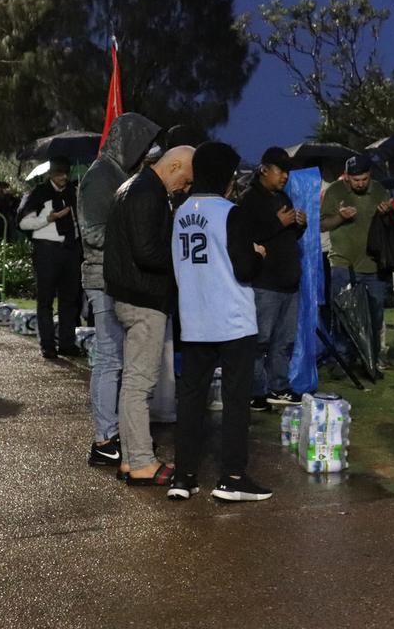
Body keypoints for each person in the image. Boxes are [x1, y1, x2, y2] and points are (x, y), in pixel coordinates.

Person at [169, 142, 271, 502]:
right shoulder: (232, 212)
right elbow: (244, 268)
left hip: (194, 318)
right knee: (235, 400)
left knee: (192, 400)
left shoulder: (180, 211)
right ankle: (231, 476)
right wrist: (258, 256)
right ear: (226, 175)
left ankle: (183, 476)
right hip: (232, 319)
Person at [105, 145, 194, 486]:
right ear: (173, 165)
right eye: (185, 180)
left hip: (133, 295)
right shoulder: (147, 191)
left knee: (133, 382)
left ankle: (132, 458)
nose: (184, 188)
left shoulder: (134, 186)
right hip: (144, 298)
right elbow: (147, 251)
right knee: (139, 384)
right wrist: (180, 259)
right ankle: (141, 460)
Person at [77, 113, 162, 467]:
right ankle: (104, 438)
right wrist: (130, 236)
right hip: (102, 278)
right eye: (141, 145)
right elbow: (92, 232)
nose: (146, 153)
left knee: (116, 360)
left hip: (113, 277)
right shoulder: (101, 177)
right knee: (109, 360)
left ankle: (112, 433)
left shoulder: (118, 174)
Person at [238, 147, 306, 411]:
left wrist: (299, 224)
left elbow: (288, 238)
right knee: (260, 341)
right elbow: (244, 237)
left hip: (289, 282)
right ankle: (255, 391)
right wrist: (277, 223)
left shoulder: (282, 197)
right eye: (281, 170)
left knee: (284, 341)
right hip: (265, 283)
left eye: (287, 171)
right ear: (264, 169)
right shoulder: (249, 199)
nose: (285, 176)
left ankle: (279, 387)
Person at [320, 154, 391, 371]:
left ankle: (370, 359)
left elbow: (391, 225)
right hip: (342, 263)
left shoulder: (379, 190)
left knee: (375, 314)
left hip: (373, 265)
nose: (360, 183)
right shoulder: (335, 191)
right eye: (355, 179)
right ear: (347, 177)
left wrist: (386, 214)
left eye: (364, 179)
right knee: (343, 315)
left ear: (370, 175)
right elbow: (323, 224)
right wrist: (340, 217)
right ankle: (342, 360)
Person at [17, 156, 82, 360]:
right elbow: (24, 223)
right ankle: (47, 345)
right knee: (45, 300)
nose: (63, 176)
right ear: (51, 173)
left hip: (71, 250)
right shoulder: (38, 193)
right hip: (47, 250)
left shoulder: (73, 192)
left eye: (66, 172)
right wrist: (49, 219)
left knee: (69, 299)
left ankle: (67, 343)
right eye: (60, 172)